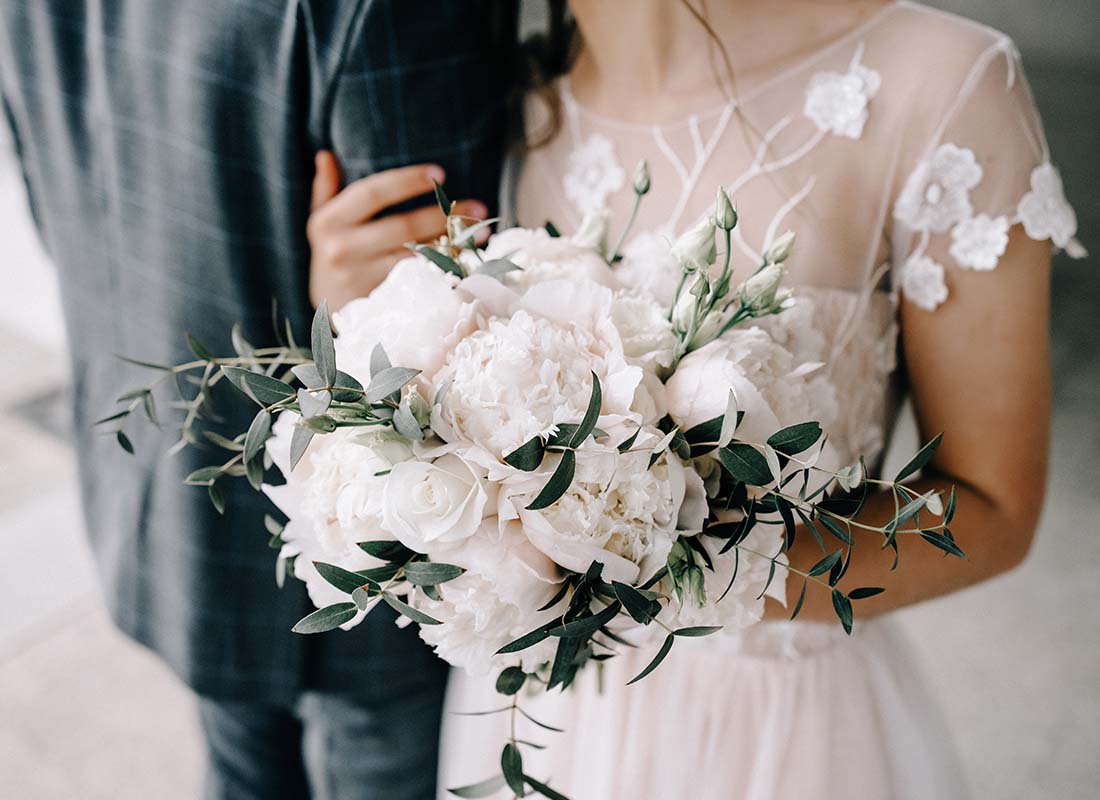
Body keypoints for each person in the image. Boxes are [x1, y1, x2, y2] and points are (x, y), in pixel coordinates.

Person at [308, 1, 1083, 798]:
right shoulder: (492, 103)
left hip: (777, 737)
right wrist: (370, 323)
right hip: (541, 729)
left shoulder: (939, 83)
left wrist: (670, 569)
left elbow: (990, 508)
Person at [0, 2, 513, 797]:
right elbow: (450, 318)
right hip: (359, 558)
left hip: (163, 507)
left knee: (241, 773)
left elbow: (48, 198)